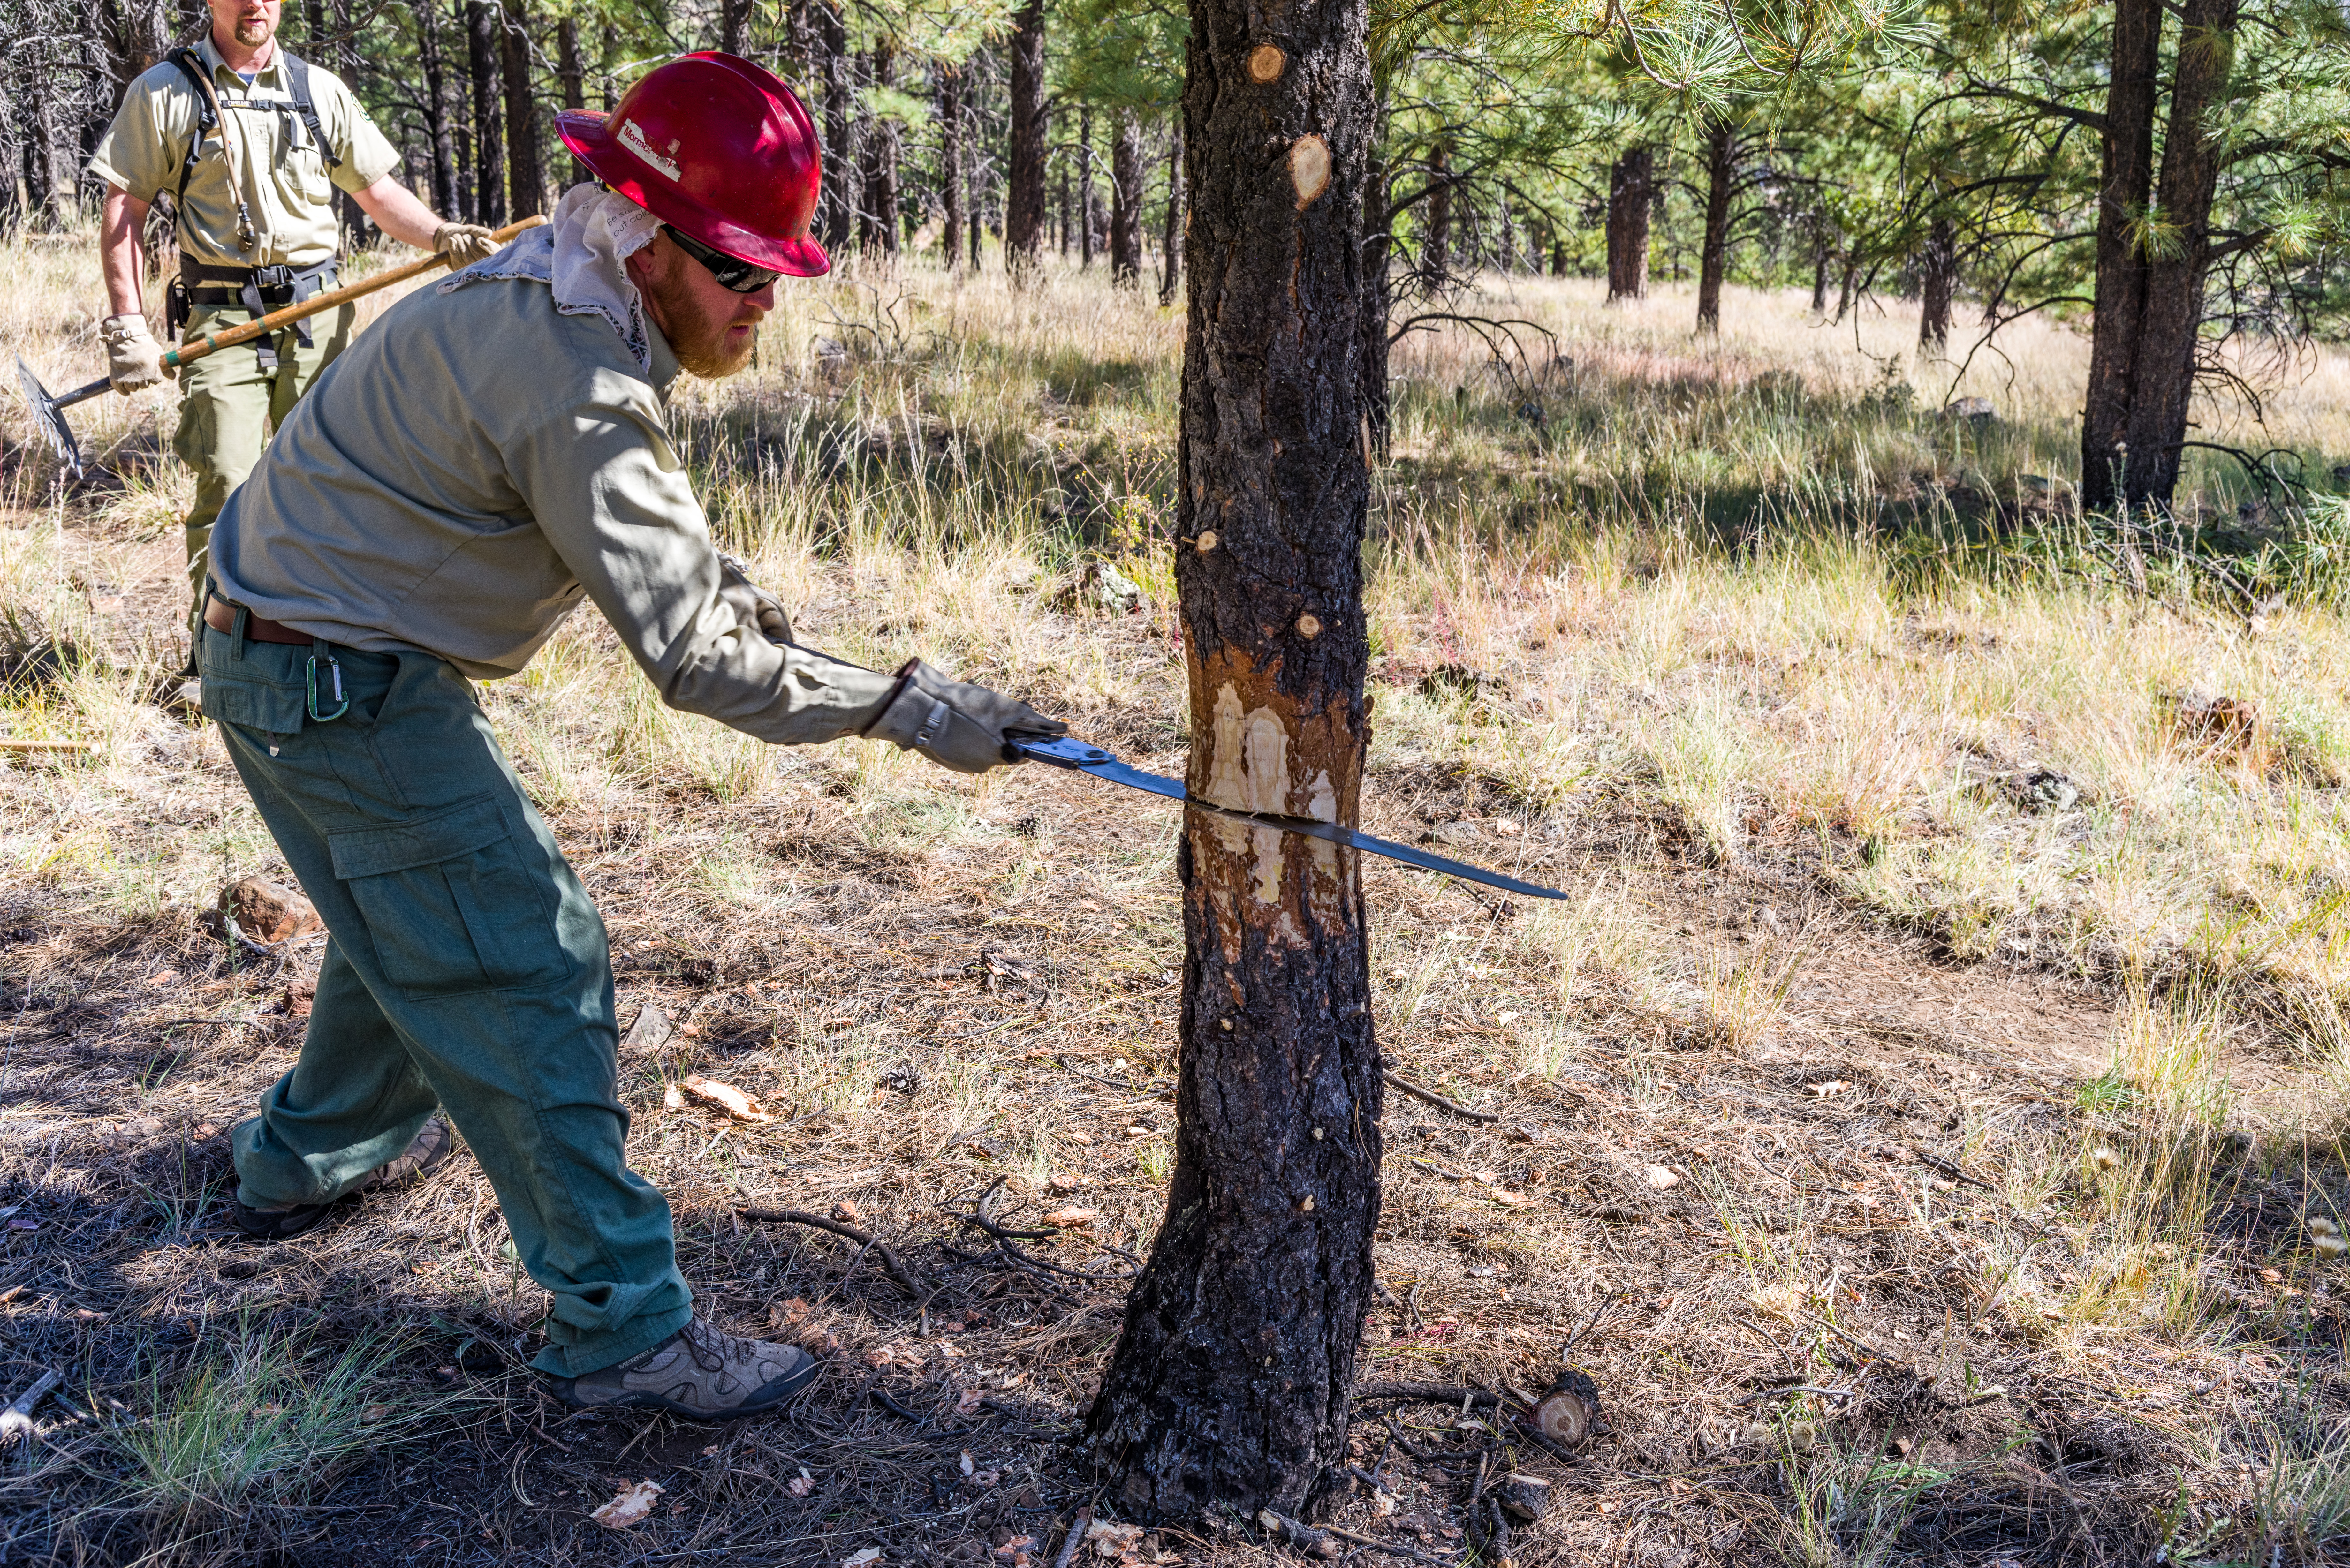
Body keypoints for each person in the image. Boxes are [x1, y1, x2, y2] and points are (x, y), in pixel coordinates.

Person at [197, 51, 1065, 1421]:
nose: (762, 303)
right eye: (737, 271)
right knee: (529, 959)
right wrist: (910, 705)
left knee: (418, 919)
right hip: (333, 679)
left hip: (286, 652)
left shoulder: (566, 282)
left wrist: (782, 629)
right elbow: (695, 659)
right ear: (648, 242)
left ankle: (303, 1162)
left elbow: (681, 577)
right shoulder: (577, 380)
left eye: (777, 273)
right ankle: (626, 1331)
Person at [88, 0, 500, 667]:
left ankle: (331, 648)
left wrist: (441, 234)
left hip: (318, 314)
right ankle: (218, 659)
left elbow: (377, 191)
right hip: (221, 319)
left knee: (331, 485)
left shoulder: (318, 90)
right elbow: (123, 208)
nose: (255, 5)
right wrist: (127, 325)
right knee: (227, 481)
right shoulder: (166, 92)